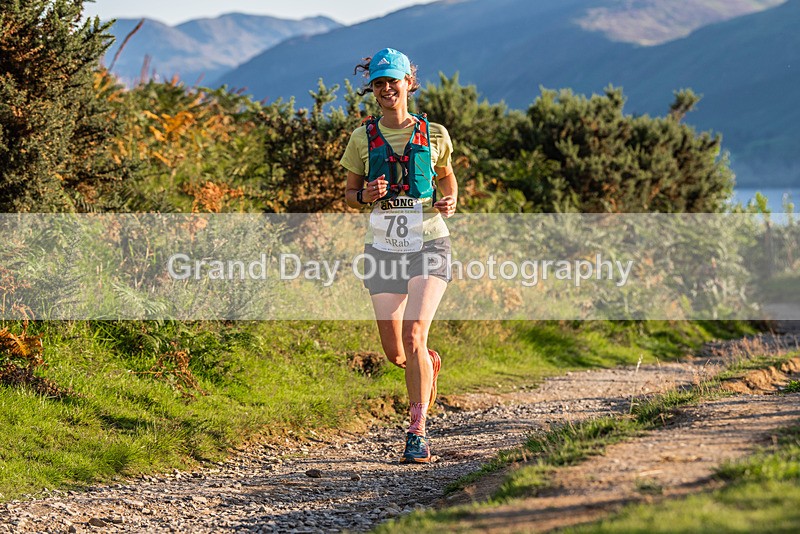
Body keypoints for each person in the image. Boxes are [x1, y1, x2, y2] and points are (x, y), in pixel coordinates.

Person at [340, 48, 458, 464]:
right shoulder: (361, 137)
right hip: (384, 248)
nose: (386, 89)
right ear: (372, 88)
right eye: (378, 83)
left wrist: (449, 201)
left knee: (414, 334)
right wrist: (365, 195)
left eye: (393, 80)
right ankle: (427, 364)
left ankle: (417, 432)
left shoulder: (436, 133)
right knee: (397, 353)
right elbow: (350, 193)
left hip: (429, 242)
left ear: (409, 82)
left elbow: (447, 179)